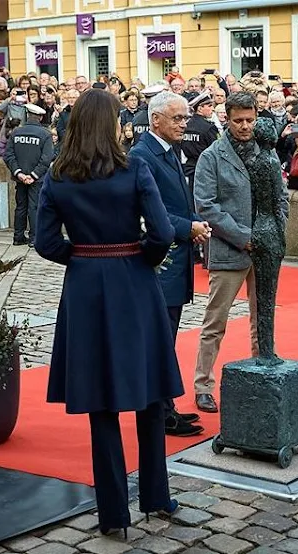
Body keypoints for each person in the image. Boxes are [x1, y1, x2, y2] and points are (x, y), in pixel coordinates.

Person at [35, 89, 182, 537]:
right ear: (112, 125)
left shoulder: (57, 176)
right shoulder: (134, 167)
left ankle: (113, 516)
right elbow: (160, 231)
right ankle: (156, 497)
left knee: (102, 404)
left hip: (85, 289)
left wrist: (81, 257)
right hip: (134, 282)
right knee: (151, 393)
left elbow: (44, 242)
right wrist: (139, 256)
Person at [193, 92, 289, 412]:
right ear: (227, 118)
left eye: (250, 119)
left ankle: (260, 372)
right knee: (215, 320)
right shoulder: (212, 155)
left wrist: (275, 231)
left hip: (266, 246)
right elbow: (206, 205)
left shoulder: (267, 150)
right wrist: (243, 237)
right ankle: (203, 384)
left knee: (262, 317)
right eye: (238, 121)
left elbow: (281, 196)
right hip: (230, 249)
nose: (245, 126)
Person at [130, 91, 210, 436]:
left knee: (166, 338)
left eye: (186, 117)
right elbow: (152, 213)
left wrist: (193, 220)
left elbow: (175, 201)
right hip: (160, 262)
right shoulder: (142, 155)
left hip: (175, 258)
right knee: (158, 341)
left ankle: (166, 407)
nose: (184, 124)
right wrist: (187, 227)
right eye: (178, 118)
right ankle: (158, 415)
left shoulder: (166, 151)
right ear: (156, 119)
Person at [3, 103, 53, 247]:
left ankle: (18, 237)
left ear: (27, 115)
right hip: (37, 179)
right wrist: (33, 175)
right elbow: (46, 158)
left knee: (21, 207)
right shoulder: (45, 134)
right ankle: (34, 238)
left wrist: (19, 173)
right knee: (34, 207)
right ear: (41, 117)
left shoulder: (16, 133)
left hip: (20, 177)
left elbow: (8, 155)